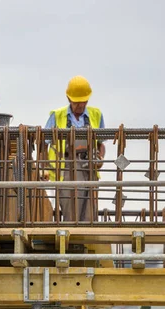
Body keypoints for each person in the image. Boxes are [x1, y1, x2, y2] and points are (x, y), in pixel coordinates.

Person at [43, 75, 106, 222]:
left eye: (84, 102)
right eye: (77, 103)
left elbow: (100, 143)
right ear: (69, 98)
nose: (81, 106)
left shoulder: (96, 115)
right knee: (70, 212)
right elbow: (43, 143)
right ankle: (71, 239)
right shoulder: (57, 116)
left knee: (90, 213)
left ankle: (87, 238)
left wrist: (100, 159)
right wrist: (44, 167)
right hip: (66, 167)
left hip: (89, 167)